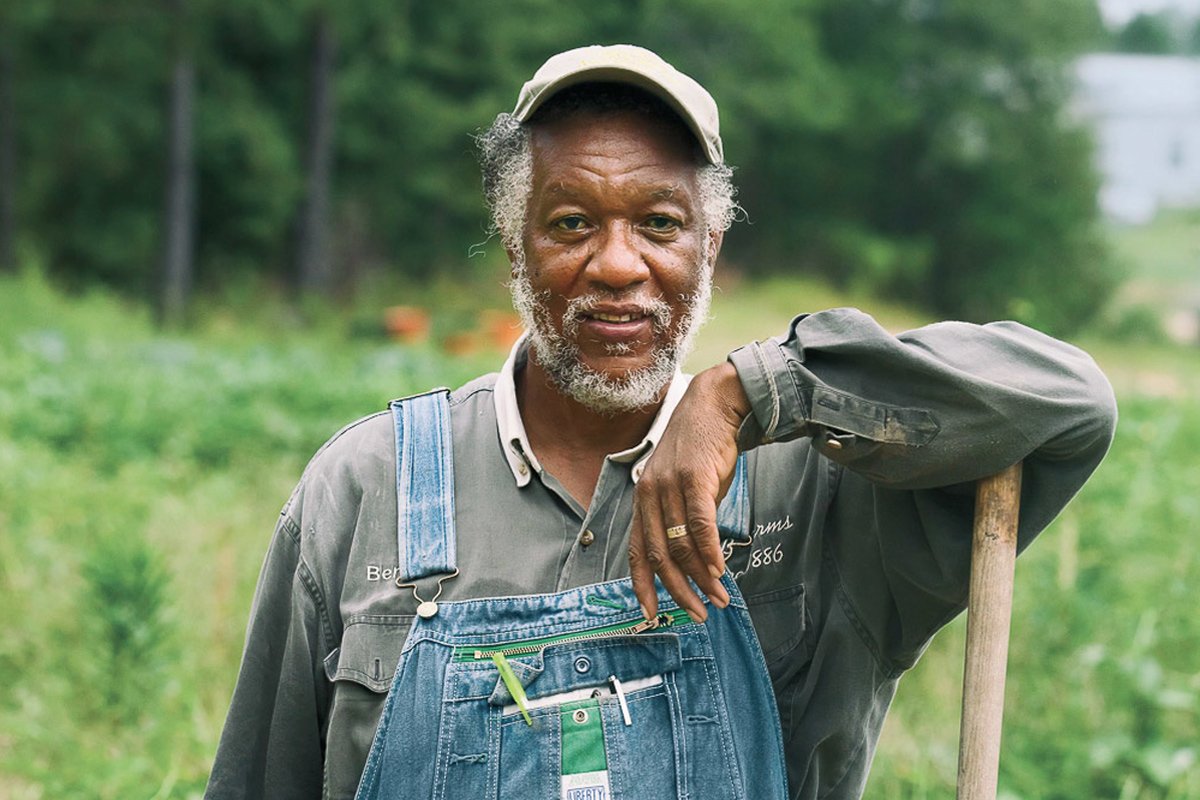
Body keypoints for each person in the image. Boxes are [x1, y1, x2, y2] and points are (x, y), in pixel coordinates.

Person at [204, 44, 1117, 800]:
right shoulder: (369, 486)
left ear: (710, 245)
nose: (617, 265)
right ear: (513, 235)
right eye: (569, 222)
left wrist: (750, 395)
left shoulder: (823, 492)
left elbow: (1069, 401)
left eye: (659, 222)